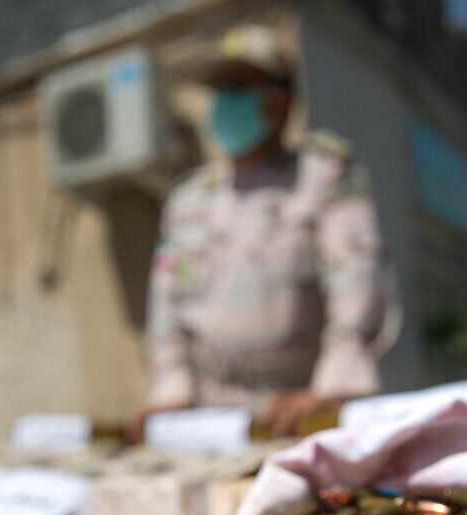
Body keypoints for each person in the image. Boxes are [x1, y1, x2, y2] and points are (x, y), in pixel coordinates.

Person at [125, 24, 393, 442]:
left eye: (242, 86)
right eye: (222, 89)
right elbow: (167, 309)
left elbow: (356, 284)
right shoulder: (186, 200)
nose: (228, 101)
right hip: (209, 419)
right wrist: (171, 391)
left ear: (282, 99)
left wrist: (334, 388)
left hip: (298, 411)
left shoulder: (324, 178)